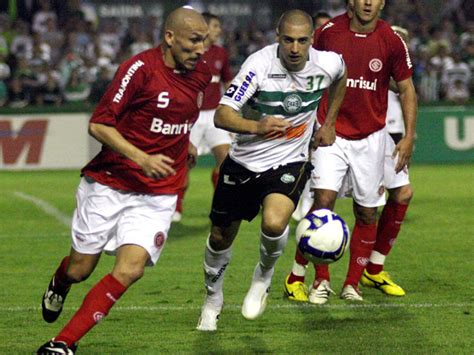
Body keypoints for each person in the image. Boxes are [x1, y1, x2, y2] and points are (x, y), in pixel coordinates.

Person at [37, 7, 211, 354]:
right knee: (81, 268)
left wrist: (185, 141)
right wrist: (142, 157)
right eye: (194, 41)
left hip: (159, 192)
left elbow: (177, 114)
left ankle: (63, 344)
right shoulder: (139, 69)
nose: (201, 49)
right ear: (170, 38)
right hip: (110, 182)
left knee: (130, 270)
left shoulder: (201, 73)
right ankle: (60, 282)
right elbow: (99, 125)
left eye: (204, 41)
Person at [196, 9, 347, 331]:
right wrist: (257, 125)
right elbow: (222, 115)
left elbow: (340, 78)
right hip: (244, 160)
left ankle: (262, 279)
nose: (295, 48)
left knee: (275, 221)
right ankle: (213, 297)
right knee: (221, 236)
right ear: (278, 38)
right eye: (288, 40)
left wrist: (329, 122)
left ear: (311, 40)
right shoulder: (259, 66)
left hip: (291, 159)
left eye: (302, 41)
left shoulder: (328, 62)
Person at [284, 0, 417, 304]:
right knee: (323, 202)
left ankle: (352, 284)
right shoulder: (328, 33)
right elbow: (303, 71)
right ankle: (319, 280)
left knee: (367, 211)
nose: (368, 2)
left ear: (382, 2)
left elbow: (406, 88)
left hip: (372, 137)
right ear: (350, 2)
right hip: (331, 133)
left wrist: (408, 136)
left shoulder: (391, 40)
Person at [173, 12, 234, 223]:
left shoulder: (220, 53)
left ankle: (221, 204)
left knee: (226, 160)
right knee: (184, 162)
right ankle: (176, 206)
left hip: (215, 115)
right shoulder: (190, 52)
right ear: (205, 28)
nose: (219, 30)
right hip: (193, 115)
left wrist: (233, 106)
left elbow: (228, 81)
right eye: (216, 26)